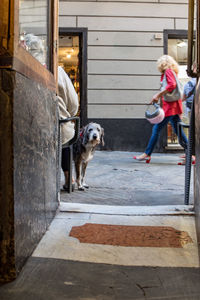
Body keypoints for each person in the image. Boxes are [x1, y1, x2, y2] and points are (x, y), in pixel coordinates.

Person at [133, 55, 188, 163]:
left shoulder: (168, 72)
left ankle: (147, 154)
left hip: (170, 107)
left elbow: (171, 86)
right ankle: (191, 153)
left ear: (162, 63)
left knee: (156, 128)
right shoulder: (172, 72)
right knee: (178, 131)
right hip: (174, 106)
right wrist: (157, 97)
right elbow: (170, 89)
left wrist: (158, 95)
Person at [57, 66, 79, 190]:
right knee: (63, 135)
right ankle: (68, 177)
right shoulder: (58, 70)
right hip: (59, 125)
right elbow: (74, 104)